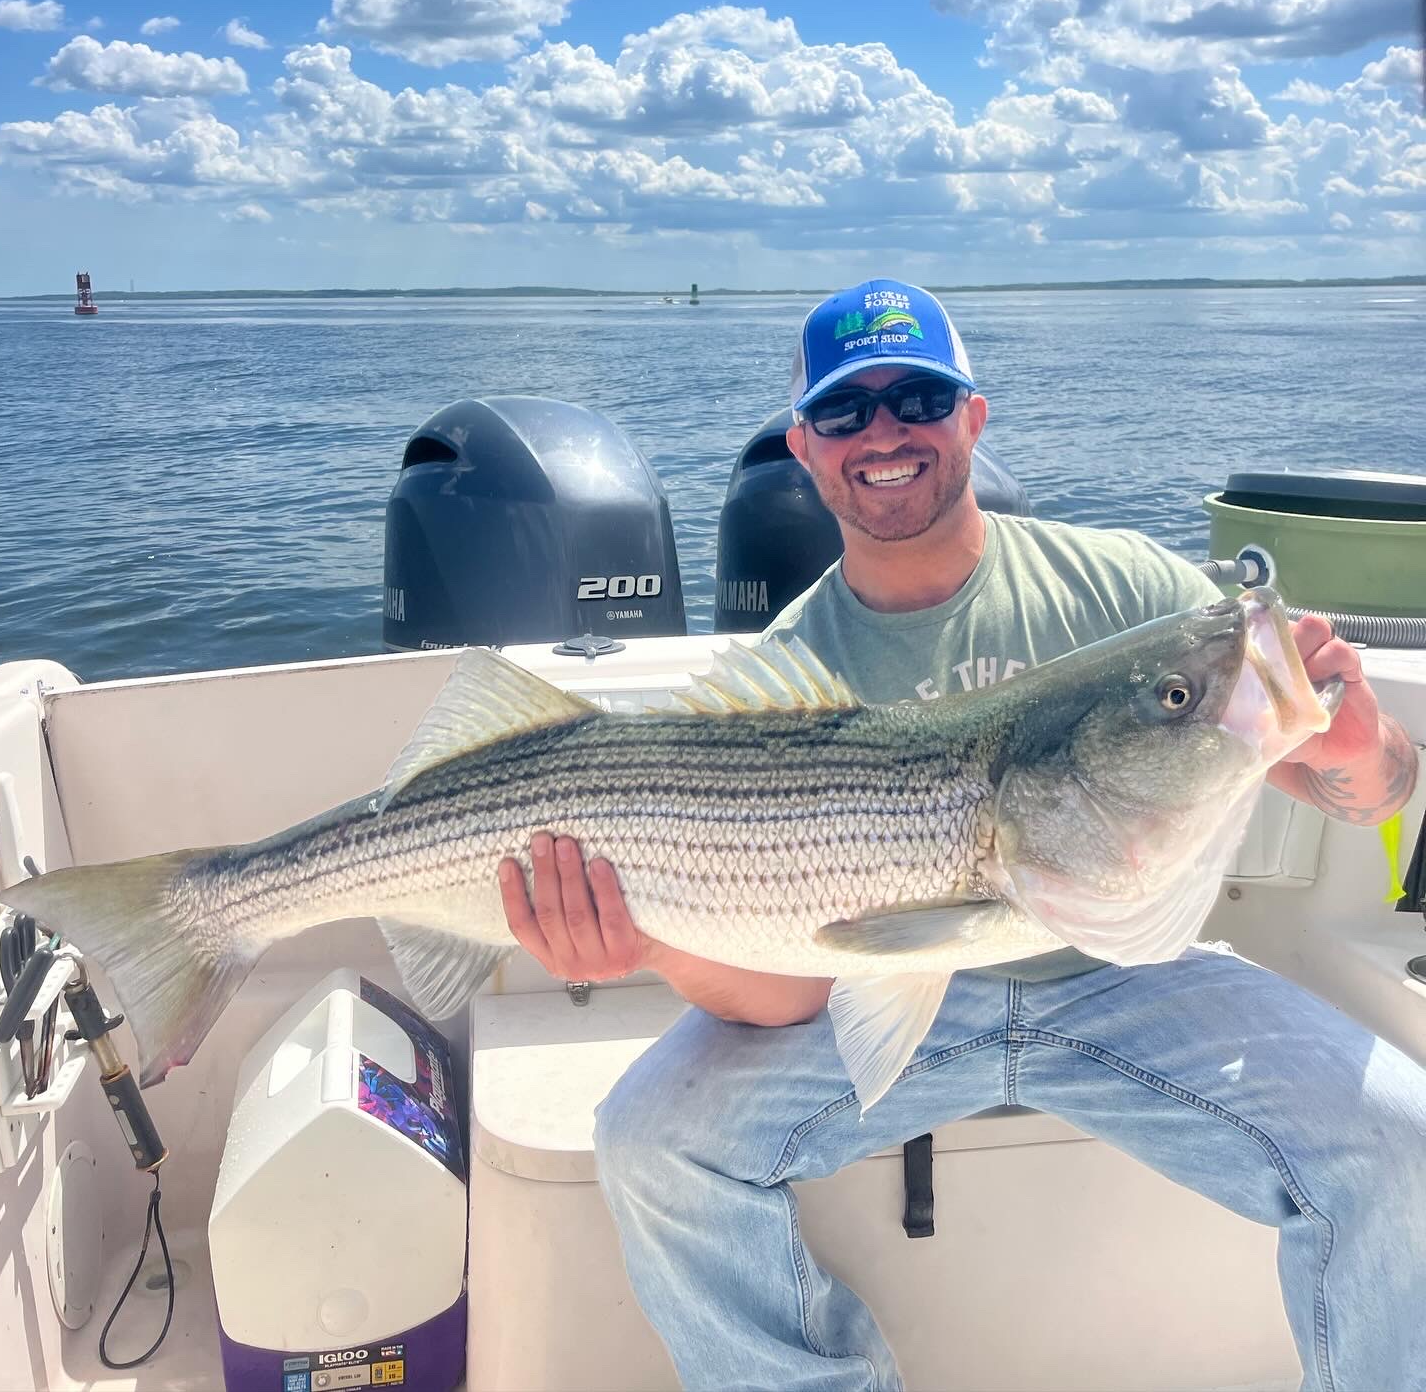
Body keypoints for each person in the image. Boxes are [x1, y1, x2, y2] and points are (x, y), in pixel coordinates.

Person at [497, 279, 1425, 1392]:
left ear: (973, 418)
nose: (885, 433)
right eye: (845, 411)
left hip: (1122, 973)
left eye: (921, 399)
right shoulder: (786, 677)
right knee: (653, 1144)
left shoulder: (1126, 591)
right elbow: (791, 992)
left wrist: (1356, 744)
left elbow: (1372, 795)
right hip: (899, 988)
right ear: (804, 447)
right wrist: (648, 940)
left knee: (1402, 1139)